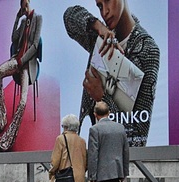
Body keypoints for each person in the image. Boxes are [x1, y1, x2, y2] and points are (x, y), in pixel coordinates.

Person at [63, 1, 159, 147]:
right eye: (99, 6)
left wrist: (102, 98)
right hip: (93, 150)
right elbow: (69, 16)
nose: (104, 11)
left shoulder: (147, 50)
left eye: (108, 0)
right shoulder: (101, 38)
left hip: (119, 159)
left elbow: (138, 138)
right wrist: (97, 26)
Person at [0, 0, 42, 151]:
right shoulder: (23, 22)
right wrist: (17, 19)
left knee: (22, 102)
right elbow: (13, 39)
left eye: (26, 3)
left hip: (27, 65)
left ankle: (10, 136)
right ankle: (1, 117)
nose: (25, 6)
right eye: (22, 4)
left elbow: (35, 46)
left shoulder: (37, 18)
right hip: (16, 61)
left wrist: (22, 60)